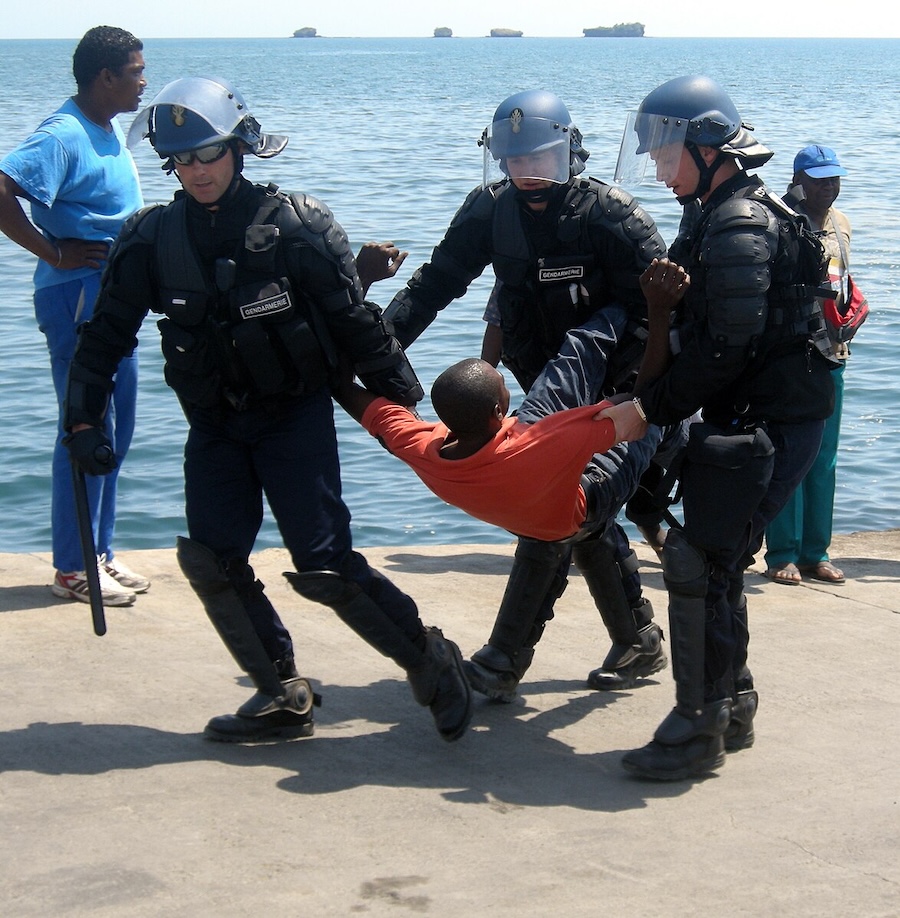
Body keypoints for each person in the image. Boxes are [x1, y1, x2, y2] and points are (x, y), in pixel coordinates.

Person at [63, 76, 472, 745]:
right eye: (183, 159)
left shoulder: (297, 225)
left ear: (239, 146)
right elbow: (105, 334)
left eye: (209, 153)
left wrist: (411, 409)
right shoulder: (150, 239)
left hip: (293, 417)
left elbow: (356, 323)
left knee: (325, 564)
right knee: (211, 560)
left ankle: (428, 659)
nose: (196, 170)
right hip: (216, 426)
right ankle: (281, 693)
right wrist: (82, 420)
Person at [383, 89, 671, 699]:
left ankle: (505, 658)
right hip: (547, 381)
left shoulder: (612, 215)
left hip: (618, 383)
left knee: (564, 509)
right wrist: (378, 351)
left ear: (569, 151)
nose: (526, 172)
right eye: (512, 160)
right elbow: (435, 283)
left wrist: (653, 401)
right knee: (570, 512)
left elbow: (669, 312)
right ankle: (638, 637)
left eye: (539, 156)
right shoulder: (489, 211)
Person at [605, 75, 835, 779]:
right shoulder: (712, 211)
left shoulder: (736, 224)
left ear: (707, 147)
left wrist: (650, 409)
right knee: (721, 559)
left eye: (664, 152)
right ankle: (730, 703)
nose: (655, 166)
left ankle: (696, 723)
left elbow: (726, 346)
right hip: (760, 416)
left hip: (773, 419)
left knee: (696, 559)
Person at [339, 263, 687, 699]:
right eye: (505, 390)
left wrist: (329, 374)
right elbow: (641, 407)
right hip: (582, 494)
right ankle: (537, 653)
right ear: (498, 412)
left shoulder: (422, 446)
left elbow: (368, 406)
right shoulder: (549, 444)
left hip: (526, 472)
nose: (508, 387)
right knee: (572, 528)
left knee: (578, 348)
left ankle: (538, 654)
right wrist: (657, 312)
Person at [0, 26, 148, 607]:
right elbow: (3, 190)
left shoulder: (105, 128)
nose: (142, 81)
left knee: (117, 430)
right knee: (85, 429)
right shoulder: (62, 133)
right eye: (135, 71)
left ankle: (99, 552)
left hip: (114, 297)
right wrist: (53, 251)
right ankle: (72, 567)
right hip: (78, 295)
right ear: (105, 77)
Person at [764, 145, 852, 586]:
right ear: (798, 179)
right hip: (792, 358)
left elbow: (843, 281)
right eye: (819, 180)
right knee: (788, 456)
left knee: (825, 460)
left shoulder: (840, 223)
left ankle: (816, 552)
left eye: (834, 179)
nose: (828, 188)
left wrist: (856, 305)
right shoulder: (780, 221)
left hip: (832, 353)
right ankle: (781, 553)